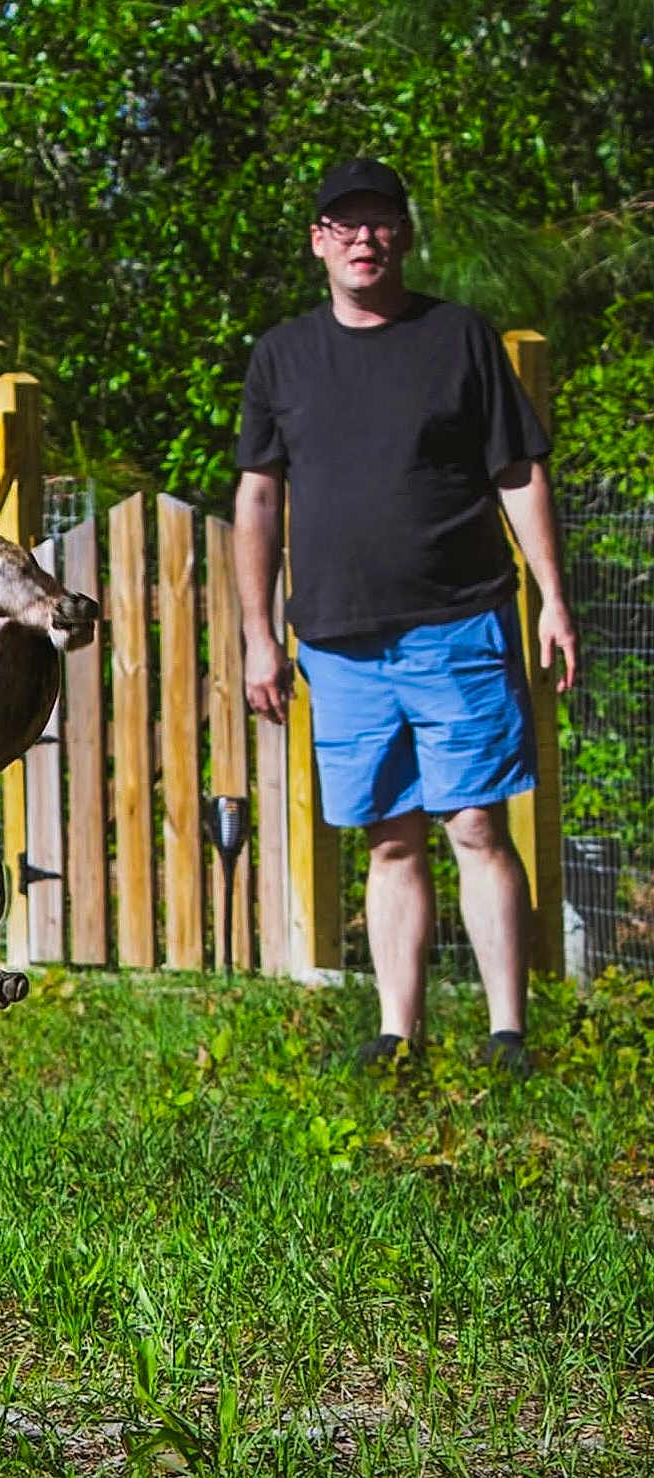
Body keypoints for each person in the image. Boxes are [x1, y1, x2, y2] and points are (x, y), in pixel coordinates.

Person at [233, 158, 578, 1073]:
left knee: (474, 826)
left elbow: (517, 471)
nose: (363, 238)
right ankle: (398, 1036)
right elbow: (258, 498)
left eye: (379, 221)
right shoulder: (282, 357)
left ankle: (507, 1035)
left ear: (403, 235)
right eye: (343, 224)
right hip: (338, 640)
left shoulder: (459, 337)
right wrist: (259, 637)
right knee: (388, 839)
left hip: (458, 624)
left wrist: (551, 595)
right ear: (317, 241)